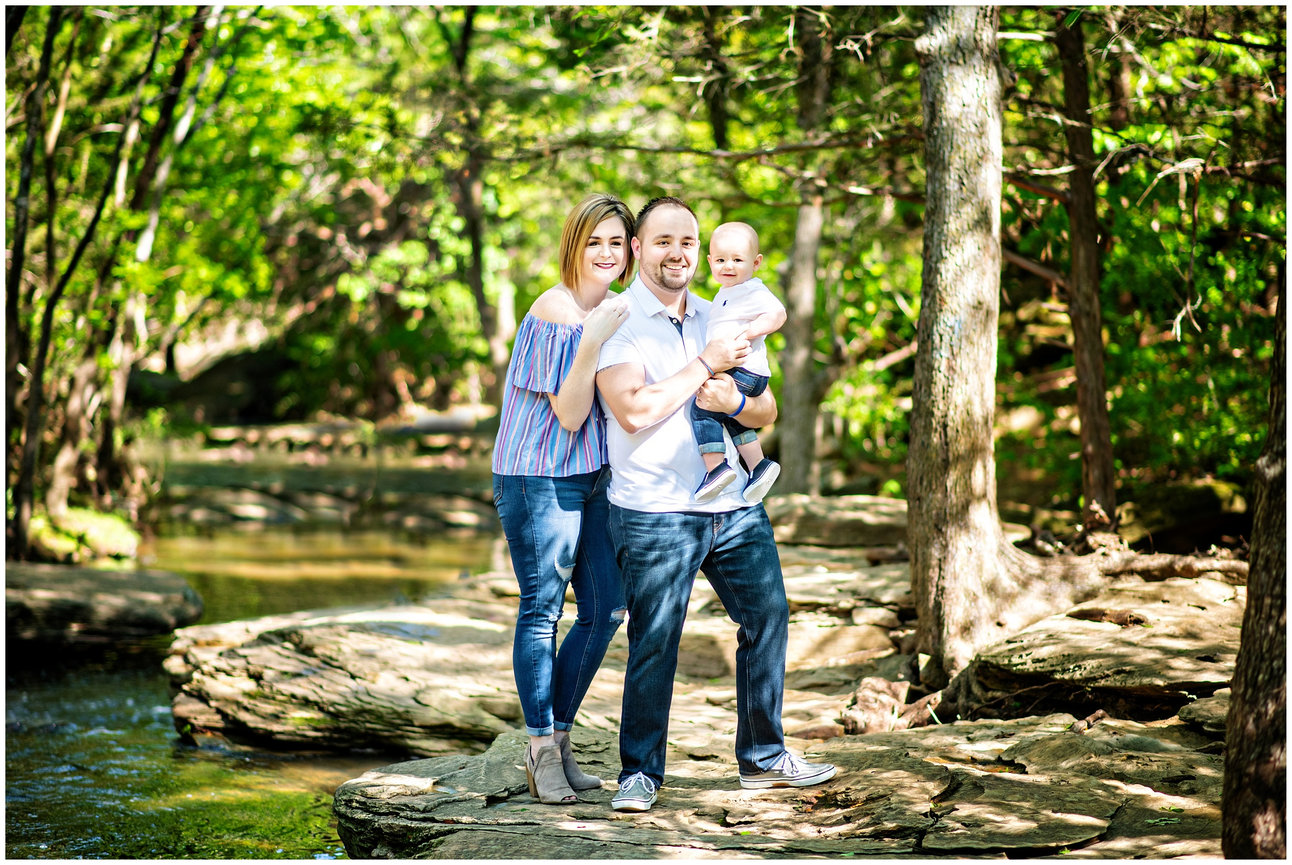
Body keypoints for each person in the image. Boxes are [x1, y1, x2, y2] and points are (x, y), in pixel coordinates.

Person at [594, 196, 837, 814]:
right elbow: (633, 409)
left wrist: (733, 404)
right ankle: (640, 773)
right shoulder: (615, 321)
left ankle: (763, 758)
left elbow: (765, 412)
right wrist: (704, 365)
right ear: (638, 250)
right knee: (656, 639)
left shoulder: (725, 311)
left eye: (687, 242)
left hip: (732, 503)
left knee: (768, 618)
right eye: (662, 241)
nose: (676, 253)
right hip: (653, 510)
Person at [491, 193, 634, 805]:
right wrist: (592, 339)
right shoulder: (555, 310)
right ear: (574, 245)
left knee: (607, 608)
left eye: (615, 242)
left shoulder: (617, 308)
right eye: (593, 241)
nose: (605, 253)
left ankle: (563, 735)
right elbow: (571, 414)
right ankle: (540, 748)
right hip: (537, 477)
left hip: (593, 477)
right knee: (543, 608)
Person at [690, 221, 787, 504]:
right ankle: (758, 465)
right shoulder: (725, 293)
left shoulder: (751, 290)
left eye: (737, 260)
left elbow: (778, 313)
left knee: (705, 408)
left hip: (743, 368)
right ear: (709, 261)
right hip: (744, 369)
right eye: (720, 260)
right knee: (732, 418)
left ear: (756, 262)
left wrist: (752, 332)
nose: (728, 266)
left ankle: (716, 468)